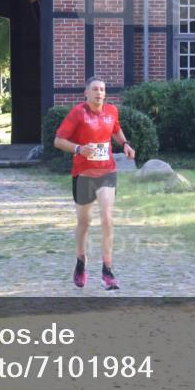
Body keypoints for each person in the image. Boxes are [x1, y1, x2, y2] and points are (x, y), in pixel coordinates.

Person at [53, 77, 135, 290]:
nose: (99, 93)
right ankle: (81, 262)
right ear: (86, 93)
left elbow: (115, 130)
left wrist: (125, 144)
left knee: (107, 219)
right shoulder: (78, 113)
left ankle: (107, 270)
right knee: (85, 222)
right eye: (95, 89)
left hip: (107, 172)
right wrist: (79, 149)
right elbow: (58, 140)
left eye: (102, 90)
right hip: (83, 173)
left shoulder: (111, 111)